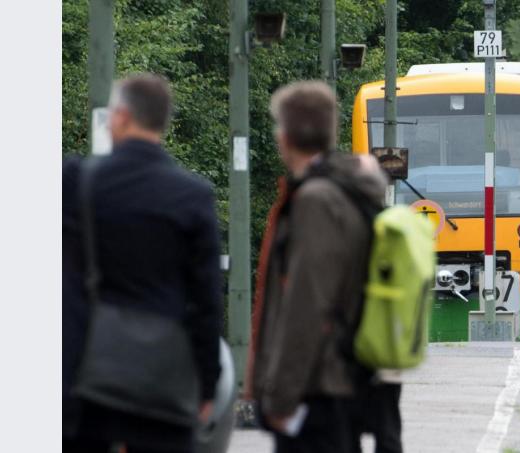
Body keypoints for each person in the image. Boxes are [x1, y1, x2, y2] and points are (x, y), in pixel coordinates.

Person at [63, 74, 223, 453]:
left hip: (86, 373)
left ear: (120, 117)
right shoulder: (193, 195)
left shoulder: (78, 182)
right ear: (162, 123)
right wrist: (207, 381)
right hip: (161, 379)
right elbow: (206, 301)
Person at [250, 80, 387, 453]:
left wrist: (281, 397)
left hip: (317, 387)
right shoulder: (346, 192)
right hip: (340, 380)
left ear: (287, 136)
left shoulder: (316, 200)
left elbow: (308, 303)